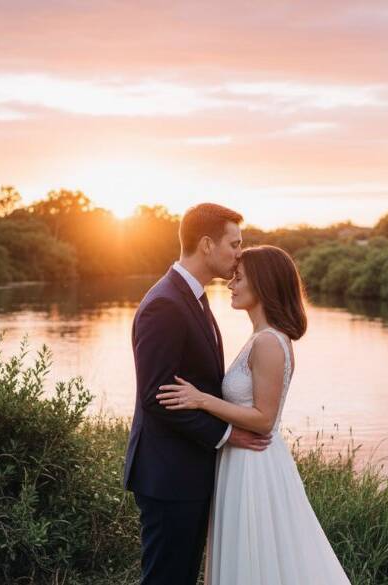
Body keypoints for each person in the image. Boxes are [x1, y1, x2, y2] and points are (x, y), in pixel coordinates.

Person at [157, 245, 352, 584]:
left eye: (239, 278)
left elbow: (264, 418)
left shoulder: (269, 343)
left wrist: (201, 400)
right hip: (242, 458)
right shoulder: (260, 338)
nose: (230, 284)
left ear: (262, 285)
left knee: (256, 556)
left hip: (255, 464)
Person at [123, 203, 272, 585]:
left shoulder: (193, 298)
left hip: (186, 471)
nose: (240, 253)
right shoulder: (165, 305)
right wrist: (226, 435)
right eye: (234, 244)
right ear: (207, 244)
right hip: (169, 475)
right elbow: (157, 398)